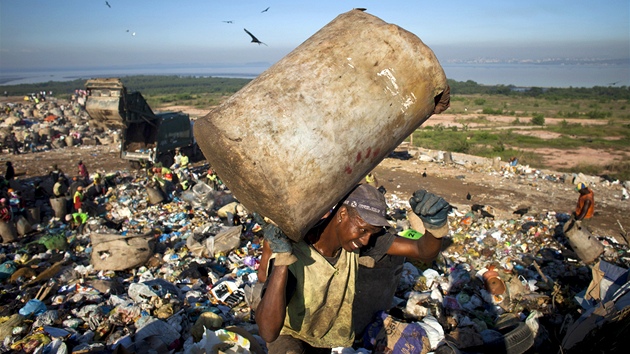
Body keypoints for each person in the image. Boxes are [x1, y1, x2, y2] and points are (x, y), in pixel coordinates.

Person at [255, 185, 450, 352]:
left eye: (371, 233)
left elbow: (423, 251)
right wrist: (282, 260)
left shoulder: (357, 244)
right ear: (342, 215)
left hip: (322, 339)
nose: (365, 239)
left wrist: (435, 228)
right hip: (289, 338)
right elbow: (269, 332)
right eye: (362, 229)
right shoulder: (296, 250)